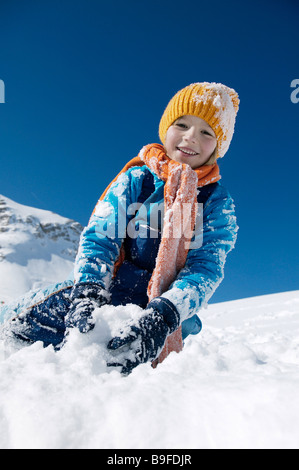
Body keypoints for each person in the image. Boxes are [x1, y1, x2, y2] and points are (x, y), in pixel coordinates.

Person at [0, 82, 239, 374]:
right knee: (13, 328)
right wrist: (88, 291)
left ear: (219, 146)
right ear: (166, 128)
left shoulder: (215, 202)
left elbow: (205, 269)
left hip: (159, 313)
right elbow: (101, 238)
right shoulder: (138, 180)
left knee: (114, 372)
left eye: (206, 132)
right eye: (183, 124)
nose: (191, 137)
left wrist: (164, 314)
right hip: (106, 290)